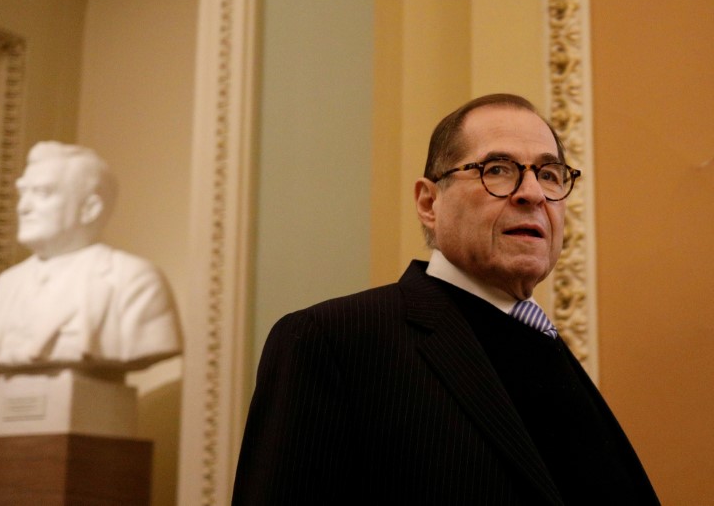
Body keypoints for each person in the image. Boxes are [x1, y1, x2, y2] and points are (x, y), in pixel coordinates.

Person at [232, 94, 658, 504]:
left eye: (549, 174)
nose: (533, 193)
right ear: (429, 202)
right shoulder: (333, 340)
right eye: (498, 169)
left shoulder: (545, 346)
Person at [0, 141, 182, 375]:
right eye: (23, 193)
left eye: (42, 193)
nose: (23, 207)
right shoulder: (5, 286)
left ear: (90, 208)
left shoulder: (134, 281)